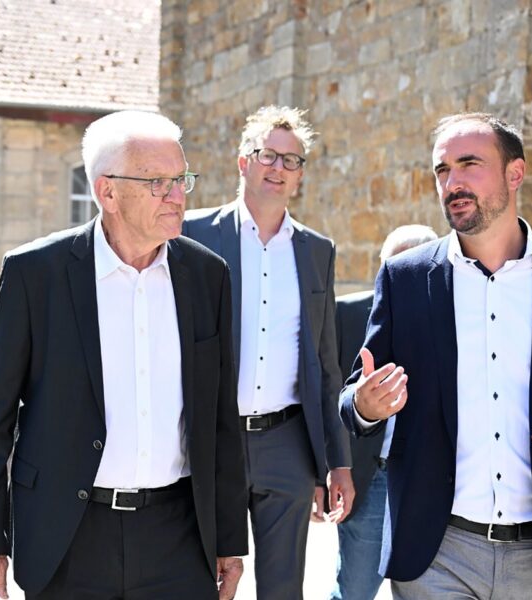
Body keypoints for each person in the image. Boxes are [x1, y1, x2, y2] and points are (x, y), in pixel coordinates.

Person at [340, 113, 532, 599]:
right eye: (442, 170)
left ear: (514, 174)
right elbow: (355, 395)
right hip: (436, 552)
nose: (452, 182)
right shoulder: (405, 279)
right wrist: (365, 406)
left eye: (469, 165)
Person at [0, 110, 248, 600]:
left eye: (181, 180)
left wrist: (228, 538)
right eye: (158, 183)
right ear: (106, 192)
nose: (177, 196)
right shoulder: (37, 273)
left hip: (178, 538)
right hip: (68, 536)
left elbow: (220, 417)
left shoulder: (208, 276)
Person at [182, 105, 353, 600]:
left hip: (286, 444)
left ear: (300, 176)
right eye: (268, 156)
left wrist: (336, 461)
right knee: (202, 580)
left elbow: (325, 363)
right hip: (212, 440)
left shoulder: (316, 250)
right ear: (243, 163)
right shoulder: (194, 235)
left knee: (284, 590)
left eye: (292, 161)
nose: (279, 168)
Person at [330, 225, 437, 600]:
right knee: (354, 591)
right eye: (388, 270)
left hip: (435, 487)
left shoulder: (457, 321)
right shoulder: (345, 314)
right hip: (371, 479)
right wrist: (329, 471)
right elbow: (331, 399)